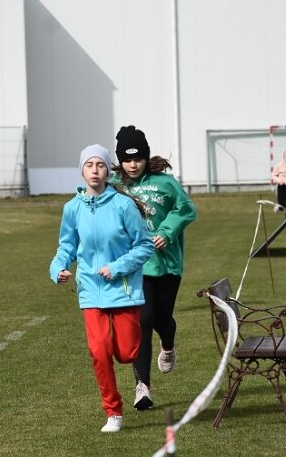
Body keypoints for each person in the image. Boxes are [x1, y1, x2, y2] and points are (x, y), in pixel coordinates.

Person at [49, 144, 154, 433]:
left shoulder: (123, 205)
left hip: (123, 290)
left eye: (100, 165)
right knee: (99, 350)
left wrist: (117, 267)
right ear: (82, 170)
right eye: (89, 165)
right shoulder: (72, 208)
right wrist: (56, 268)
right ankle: (113, 412)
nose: (94, 170)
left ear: (109, 170)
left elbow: (144, 245)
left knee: (126, 352)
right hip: (90, 292)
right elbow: (66, 246)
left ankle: (129, 364)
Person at [110, 126, 198, 412]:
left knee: (162, 318)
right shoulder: (114, 186)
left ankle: (169, 342)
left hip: (168, 264)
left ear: (146, 158)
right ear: (120, 160)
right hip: (136, 265)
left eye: (138, 159)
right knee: (143, 320)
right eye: (127, 159)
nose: (133, 165)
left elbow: (186, 209)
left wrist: (167, 231)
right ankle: (142, 387)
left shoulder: (165, 183)